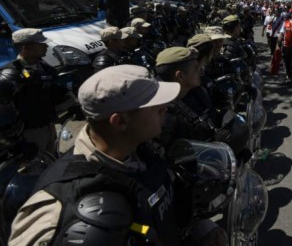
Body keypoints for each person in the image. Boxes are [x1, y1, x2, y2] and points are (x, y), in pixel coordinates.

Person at [8, 64, 227, 246]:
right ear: (120, 121)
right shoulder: (58, 204)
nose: (166, 107)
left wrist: (203, 229)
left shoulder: (143, 150)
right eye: (154, 105)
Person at [0, 29, 68, 154]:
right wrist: (16, 142)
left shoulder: (43, 67)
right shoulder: (11, 74)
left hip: (48, 126)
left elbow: (54, 93)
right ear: (27, 48)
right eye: (41, 44)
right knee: (35, 171)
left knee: (53, 161)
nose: (46, 46)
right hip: (29, 134)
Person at [277, 7, 292, 90]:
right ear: (291, 14)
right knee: (287, 64)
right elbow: (281, 34)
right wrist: (278, 45)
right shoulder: (285, 23)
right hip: (286, 47)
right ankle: (289, 77)